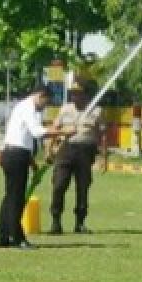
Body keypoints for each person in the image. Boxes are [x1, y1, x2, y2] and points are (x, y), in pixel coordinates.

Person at [0, 85, 72, 250]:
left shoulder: (23, 107)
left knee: (10, 197)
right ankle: (17, 238)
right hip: (15, 155)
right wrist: (63, 132)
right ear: (40, 96)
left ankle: (2, 236)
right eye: (46, 102)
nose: (45, 106)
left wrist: (31, 161)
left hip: (14, 153)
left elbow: (21, 137)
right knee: (16, 199)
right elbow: (37, 132)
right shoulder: (28, 107)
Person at [48, 81, 108, 234]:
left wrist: (104, 158)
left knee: (83, 187)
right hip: (66, 150)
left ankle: (80, 223)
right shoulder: (65, 109)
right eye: (72, 93)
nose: (74, 96)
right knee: (59, 185)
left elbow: (103, 136)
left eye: (78, 93)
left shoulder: (96, 111)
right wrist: (50, 149)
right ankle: (56, 222)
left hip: (85, 152)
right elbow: (55, 129)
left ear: (85, 94)